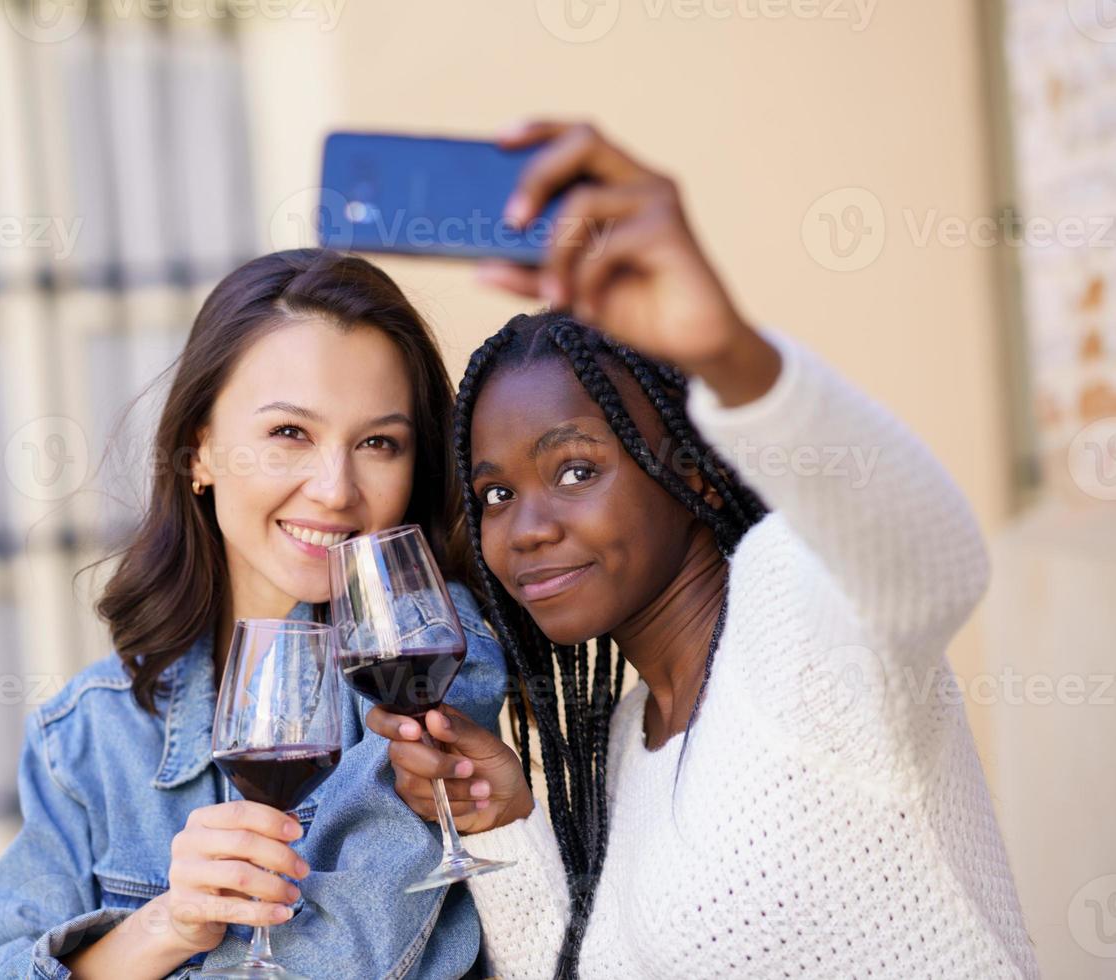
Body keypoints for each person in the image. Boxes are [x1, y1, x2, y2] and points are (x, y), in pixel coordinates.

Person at [367, 121, 1038, 978]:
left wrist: (728, 351)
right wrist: (502, 823)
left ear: (701, 478)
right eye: (495, 494)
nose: (525, 527)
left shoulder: (792, 612)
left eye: (575, 470)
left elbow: (935, 561)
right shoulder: (626, 734)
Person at [0, 249, 508, 979]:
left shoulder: (433, 655)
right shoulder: (87, 735)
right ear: (200, 452)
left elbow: (347, 959)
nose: (334, 489)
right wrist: (169, 924)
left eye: (379, 443)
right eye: (290, 433)